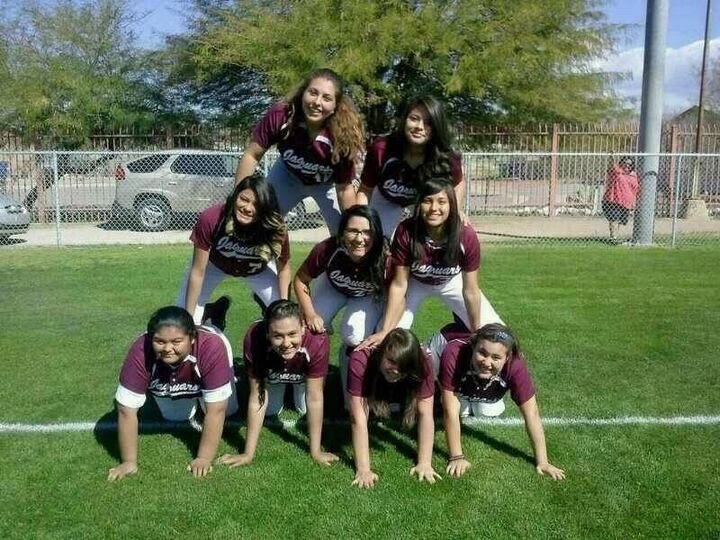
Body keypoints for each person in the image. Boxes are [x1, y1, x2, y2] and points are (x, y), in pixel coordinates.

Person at [360, 178, 501, 349]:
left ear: (452, 205)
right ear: (419, 204)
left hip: (450, 282)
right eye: (427, 201)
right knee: (388, 340)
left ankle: (442, 347)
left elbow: (471, 290)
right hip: (416, 282)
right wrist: (385, 330)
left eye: (442, 201)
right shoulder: (406, 230)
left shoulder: (465, 234)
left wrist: (477, 330)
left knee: (496, 335)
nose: (434, 208)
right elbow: (399, 284)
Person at [107, 305, 238, 481]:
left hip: (208, 354)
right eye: (160, 341)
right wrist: (128, 462)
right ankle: (194, 391)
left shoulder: (212, 346)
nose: (168, 348)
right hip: (175, 374)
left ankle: (213, 318)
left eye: (176, 342)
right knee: (176, 417)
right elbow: (125, 410)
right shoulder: (140, 350)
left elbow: (217, 410)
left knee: (228, 410)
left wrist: (204, 458)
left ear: (192, 338)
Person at [234, 68, 365, 234]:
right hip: (287, 175)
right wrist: (239, 196)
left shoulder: (343, 134)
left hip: (326, 184)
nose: (317, 102)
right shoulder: (282, 115)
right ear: (303, 93)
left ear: (335, 106)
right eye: (313, 92)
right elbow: (252, 155)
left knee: (343, 231)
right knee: (259, 220)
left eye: (326, 98)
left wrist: (353, 227)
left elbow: (344, 189)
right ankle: (263, 258)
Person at [216, 300, 338, 467]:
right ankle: (280, 381)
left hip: (302, 375)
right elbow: (257, 396)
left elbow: (315, 397)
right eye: (278, 336)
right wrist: (247, 454)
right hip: (273, 371)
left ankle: (295, 384)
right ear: (267, 333)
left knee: (304, 408)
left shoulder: (317, 339)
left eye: (292, 334)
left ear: (303, 328)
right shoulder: (254, 338)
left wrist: (315, 451)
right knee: (271, 411)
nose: (286, 343)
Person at [439, 323, 565, 480]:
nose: (486, 362)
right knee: (450, 408)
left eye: (496, 357)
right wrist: (456, 457)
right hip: (440, 357)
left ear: (508, 358)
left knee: (487, 411)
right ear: (473, 347)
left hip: (479, 378)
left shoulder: (516, 366)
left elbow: (531, 413)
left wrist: (543, 462)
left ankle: (472, 393)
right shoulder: (454, 352)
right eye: (482, 353)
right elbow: (449, 409)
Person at [293, 205, 386, 404]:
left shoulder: (385, 256)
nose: (360, 238)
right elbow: (300, 280)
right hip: (332, 287)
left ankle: (351, 382)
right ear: (342, 232)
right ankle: (304, 383)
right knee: (310, 329)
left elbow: (397, 293)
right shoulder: (327, 249)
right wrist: (309, 314)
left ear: (376, 233)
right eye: (353, 231)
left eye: (367, 232)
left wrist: (384, 328)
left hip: (366, 296)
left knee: (354, 335)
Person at [177, 172, 290, 323]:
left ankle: (265, 309)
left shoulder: (275, 227)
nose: (248, 208)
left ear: (266, 208)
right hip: (214, 265)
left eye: (257, 204)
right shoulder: (212, 218)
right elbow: (198, 271)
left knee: (284, 319)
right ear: (235, 196)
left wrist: (282, 305)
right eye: (244, 199)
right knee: (182, 320)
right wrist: (188, 319)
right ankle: (212, 312)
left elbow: (284, 268)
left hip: (257, 270)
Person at [357, 95, 465, 239]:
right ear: (404, 120)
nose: (419, 127)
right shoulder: (381, 149)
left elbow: (458, 184)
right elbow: (365, 189)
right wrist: (360, 217)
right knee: (374, 238)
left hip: (423, 204)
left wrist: (456, 211)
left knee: (453, 232)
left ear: (437, 126)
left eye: (428, 122)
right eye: (414, 119)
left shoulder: (447, 156)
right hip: (386, 199)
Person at [348, 329, 440, 488]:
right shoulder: (360, 359)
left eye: (404, 366)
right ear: (382, 352)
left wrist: (424, 463)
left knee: (400, 405)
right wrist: (364, 470)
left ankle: (394, 397)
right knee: (348, 406)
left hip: (402, 382)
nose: (396, 369)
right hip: (369, 374)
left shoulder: (424, 361)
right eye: (391, 361)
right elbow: (358, 418)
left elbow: (426, 413)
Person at [602, 156, 639, 243]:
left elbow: (635, 190)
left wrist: (633, 202)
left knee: (621, 221)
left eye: (629, 164)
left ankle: (615, 236)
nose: (627, 166)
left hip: (626, 202)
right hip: (613, 200)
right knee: (614, 219)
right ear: (621, 163)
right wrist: (611, 156)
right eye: (625, 163)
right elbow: (612, 165)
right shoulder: (617, 172)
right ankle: (613, 238)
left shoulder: (633, 175)